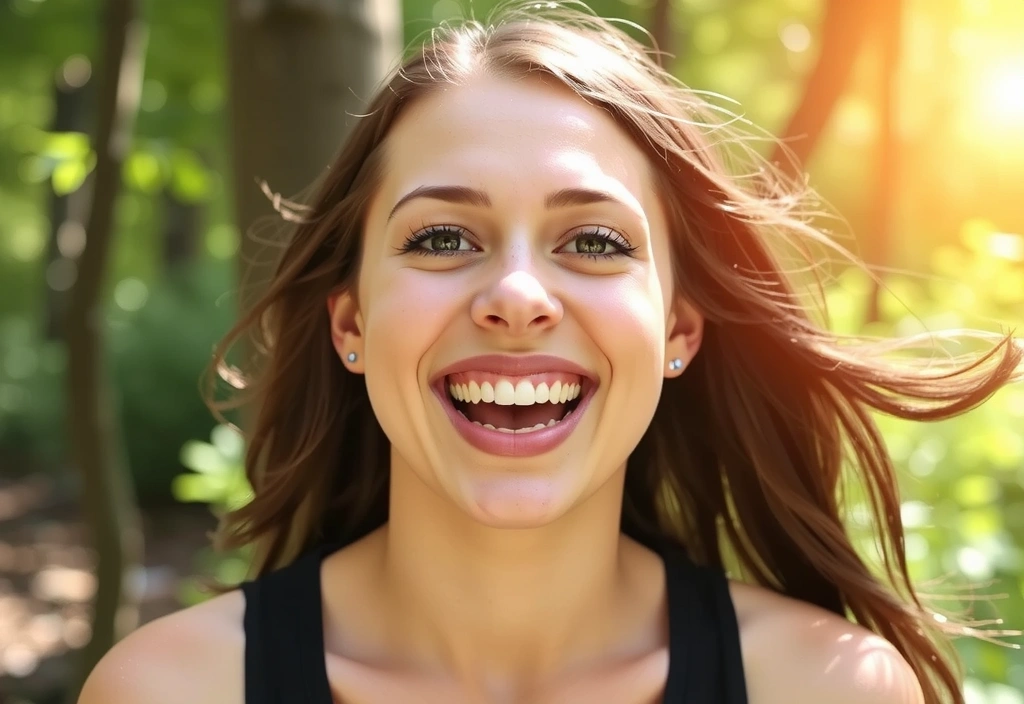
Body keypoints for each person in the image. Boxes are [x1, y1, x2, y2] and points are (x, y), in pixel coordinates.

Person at [80, 4, 1022, 704]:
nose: (518, 297)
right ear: (351, 326)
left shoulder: (828, 691)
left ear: (678, 332)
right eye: (442, 238)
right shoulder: (168, 691)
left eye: (596, 242)